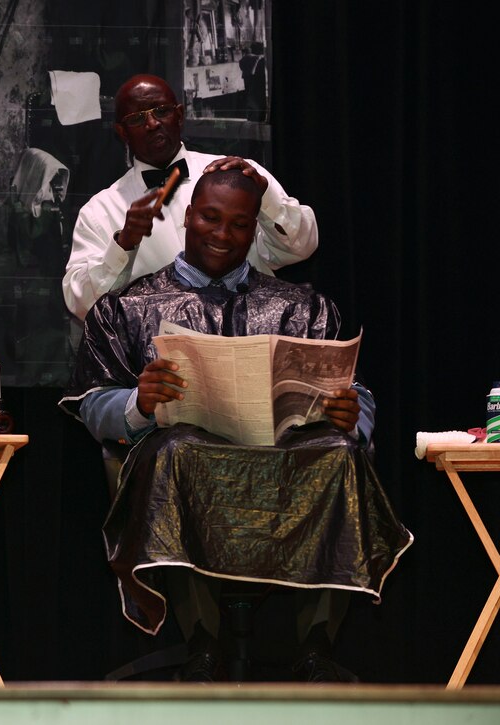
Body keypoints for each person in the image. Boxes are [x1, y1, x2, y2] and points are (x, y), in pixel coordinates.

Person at [60, 169, 413, 682]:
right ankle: (202, 645)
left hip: (284, 476)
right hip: (188, 472)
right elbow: (94, 405)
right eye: (210, 217)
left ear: (255, 231)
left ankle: (314, 647)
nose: (222, 234)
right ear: (186, 217)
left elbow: (353, 390)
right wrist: (140, 402)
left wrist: (351, 414)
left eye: (239, 224)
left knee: (340, 450)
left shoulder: (303, 307)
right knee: (177, 448)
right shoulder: (127, 309)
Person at [62, 73, 317, 320]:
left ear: (180, 115)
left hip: (251, 335)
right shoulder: (99, 212)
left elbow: (300, 248)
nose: (152, 124)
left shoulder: (240, 175)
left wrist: (266, 198)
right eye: (138, 118)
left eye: (161, 111)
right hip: (161, 355)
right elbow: (82, 305)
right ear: (122, 132)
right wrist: (123, 244)